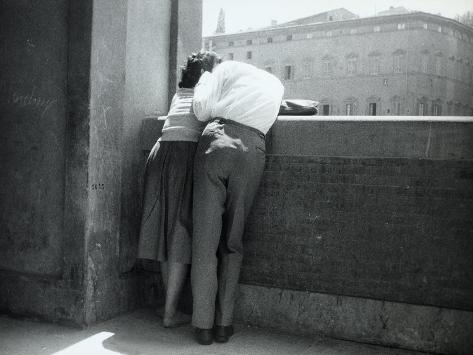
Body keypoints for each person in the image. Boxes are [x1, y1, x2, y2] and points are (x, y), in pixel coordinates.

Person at [190, 59, 284, 344]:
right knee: (233, 241)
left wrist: (204, 77)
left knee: (205, 242)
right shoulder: (276, 84)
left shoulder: (224, 68)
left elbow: (201, 109)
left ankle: (204, 327)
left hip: (218, 140)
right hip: (254, 147)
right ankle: (224, 325)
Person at [137, 51, 221, 328]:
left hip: (161, 153)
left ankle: (169, 309)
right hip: (183, 156)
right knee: (180, 235)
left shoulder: (181, 93)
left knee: (165, 233)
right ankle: (171, 313)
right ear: (209, 73)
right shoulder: (206, 92)